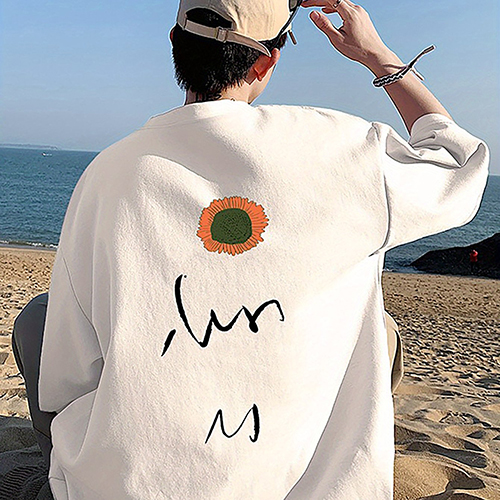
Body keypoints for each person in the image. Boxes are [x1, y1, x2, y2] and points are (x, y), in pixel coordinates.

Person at [10, 0, 490, 498]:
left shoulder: (108, 173)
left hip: (131, 488)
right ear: (267, 61)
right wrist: (378, 56)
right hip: (306, 484)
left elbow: (70, 375)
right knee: (377, 329)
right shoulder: (343, 149)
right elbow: (461, 163)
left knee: (42, 319)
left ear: (175, 44)